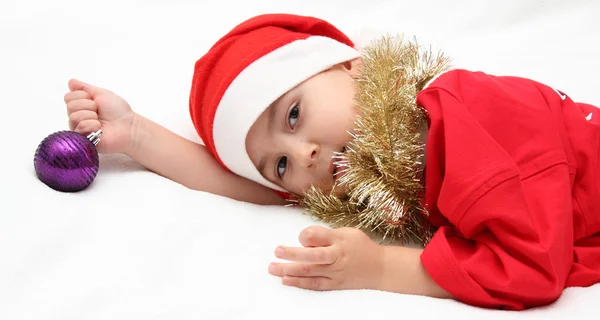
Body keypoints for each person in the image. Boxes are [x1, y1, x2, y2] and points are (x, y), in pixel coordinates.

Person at [63, 13, 600, 310]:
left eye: (293, 115)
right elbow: (253, 187)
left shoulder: (470, 134)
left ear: (355, 68)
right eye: (279, 163)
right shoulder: (382, 160)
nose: (304, 156)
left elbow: (535, 269)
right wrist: (135, 135)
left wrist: (384, 267)